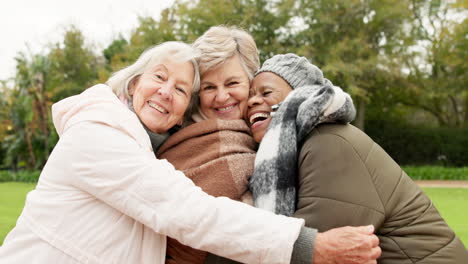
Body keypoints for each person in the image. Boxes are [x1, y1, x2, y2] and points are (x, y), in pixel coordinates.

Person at [0, 41, 378, 264]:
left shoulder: (146, 147)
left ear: (184, 111)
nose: (167, 92)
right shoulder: (99, 134)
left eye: (181, 90)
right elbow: (188, 211)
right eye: (159, 77)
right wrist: (311, 246)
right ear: (134, 84)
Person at [157, 26, 380, 264]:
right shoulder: (184, 141)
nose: (221, 97)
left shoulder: (279, 139)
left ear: (251, 82)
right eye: (209, 87)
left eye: (232, 83)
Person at [246, 53, 468, 263]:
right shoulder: (304, 145)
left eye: (265, 93)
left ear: (301, 95)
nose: (251, 102)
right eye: (250, 95)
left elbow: (315, 247)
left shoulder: (327, 142)